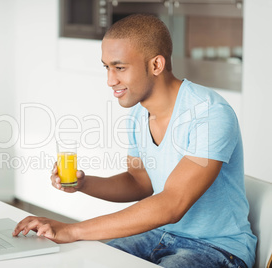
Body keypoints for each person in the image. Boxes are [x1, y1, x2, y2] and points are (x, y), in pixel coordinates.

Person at [13, 14, 256, 268]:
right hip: (157, 234)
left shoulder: (209, 113)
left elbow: (171, 204)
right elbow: (139, 182)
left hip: (217, 247)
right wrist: (83, 184)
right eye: (106, 67)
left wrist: (72, 230)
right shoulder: (138, 115)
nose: (110, 80)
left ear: (156, 65)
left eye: (120, 67)